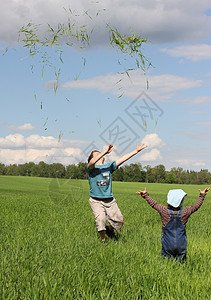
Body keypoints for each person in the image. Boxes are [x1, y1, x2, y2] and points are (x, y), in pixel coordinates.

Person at [88, 143, 148, 242]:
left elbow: (123, 158)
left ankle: (109, 230)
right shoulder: (91, 169)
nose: (100, 155)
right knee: (101, 220)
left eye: (100, 154)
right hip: (96, 201)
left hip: (110, 200)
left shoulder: (109, 167)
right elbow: (92, 162)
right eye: (96, 155)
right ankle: (103, 241)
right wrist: (103, 152)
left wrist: (136, 151)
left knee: (119, 221)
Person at [136, 187, 210, 262]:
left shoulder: (164, 211)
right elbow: (196, 206)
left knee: (167, 264)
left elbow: (154, 204)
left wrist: (145, 195)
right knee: (181, 266)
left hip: (167, 244)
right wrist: (202, 195)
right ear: (181, 202)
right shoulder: (185, 212)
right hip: (181, 244)